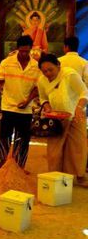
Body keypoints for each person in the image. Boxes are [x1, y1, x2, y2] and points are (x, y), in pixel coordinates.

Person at [37, 53, 88, 186]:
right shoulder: (41, 80)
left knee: (77, 148)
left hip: (76, 116)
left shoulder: (69, 75)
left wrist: (79, 108)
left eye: (50, 70)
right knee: (54, 150)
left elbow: (84, 92)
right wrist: (47, 107)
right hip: (56, 118)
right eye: (44, 71)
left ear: (58, 66)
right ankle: (55, 177)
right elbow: (43, 98)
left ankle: (79, 177)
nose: (48, 73)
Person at [0, 35, 40, 169]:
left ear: (31, 49)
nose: (24, 54)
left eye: (27, 51)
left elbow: (37, 89)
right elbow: (0, 81)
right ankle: (0, 167)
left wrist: (27, 101)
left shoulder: (36, 66)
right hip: (8, 107)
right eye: (22, 51)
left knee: (23, 140)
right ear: (18, 49)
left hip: (25, 110)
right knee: (4, 138)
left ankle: (18, 169)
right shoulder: (6, 63)